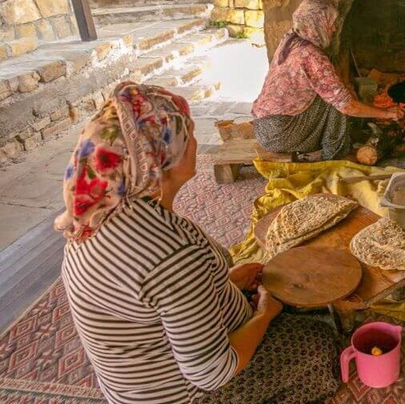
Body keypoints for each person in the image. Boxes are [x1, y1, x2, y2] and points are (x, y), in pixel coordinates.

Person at [56, 82, 340, 404]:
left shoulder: (95, 216)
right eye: (187, 134)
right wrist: (265, 315)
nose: (193, 141)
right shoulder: (171, 256)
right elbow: (212, 372)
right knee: (317, 342)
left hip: (133, 388)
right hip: (187, 395)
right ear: (162, 160)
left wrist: (224, 282)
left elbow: (160, 299)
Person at [252, 0, 400, 160]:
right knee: (337, 101)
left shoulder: (291, 39)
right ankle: (334, 154)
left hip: (263, 128)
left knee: (334, 92)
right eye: (330, 23)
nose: (335, 29)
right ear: (317, 23)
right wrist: (386, 113)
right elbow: (347, 107)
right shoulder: (311, 56)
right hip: (281, 135)